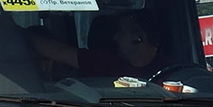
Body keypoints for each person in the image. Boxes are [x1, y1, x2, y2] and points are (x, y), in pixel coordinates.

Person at [31, 10, 173, 80]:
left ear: (137, 39)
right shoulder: (104, 61)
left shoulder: (172, 73)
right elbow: (58, 51)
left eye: (121, 32)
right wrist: (12, 32)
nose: (115, 37)